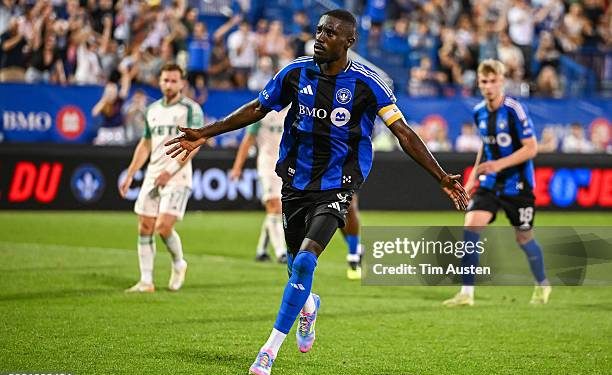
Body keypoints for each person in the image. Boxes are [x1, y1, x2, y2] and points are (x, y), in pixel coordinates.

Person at [165, 10, 468, 374]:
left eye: (330, 33)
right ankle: (308, 305)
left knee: (307, 260)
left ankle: (269, 351)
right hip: (296, 180)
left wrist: (440, 176)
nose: (320, 37)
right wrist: (207, 132)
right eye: (319, 30)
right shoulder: (295, 72)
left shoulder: (367, 83)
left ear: (348, 42)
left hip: (339, 183)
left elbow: (403, 132)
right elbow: (259, 108)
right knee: (295, 265)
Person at [443, 59, 551, 308]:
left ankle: (543, 283)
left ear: (501, 82)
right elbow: (486, 144)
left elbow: (531, 148)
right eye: (484, 81)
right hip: (491, 183)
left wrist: (498, 165)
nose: (489, 86)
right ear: (478, 84)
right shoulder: (479, 111)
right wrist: (472, 179)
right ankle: (466, 293)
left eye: (493, 81)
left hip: (518, 184)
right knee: (471, 226)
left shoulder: (514, 110)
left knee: (524, 238)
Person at [119, 63, 203, 293]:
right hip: (153, 174)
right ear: (159, 82)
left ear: (182, 83)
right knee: (145, 226)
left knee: (163, 227)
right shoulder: (152, 110)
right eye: (165, 80)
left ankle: (178, 263)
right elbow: (145, 144)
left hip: (178, 175)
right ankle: (146, 281)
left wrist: (172, 169)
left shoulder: (191, 109)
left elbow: (195, 143)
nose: (169, 84)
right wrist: (130, 173)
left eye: (174, 81)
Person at [230, 107, 289, 264]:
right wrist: (237, 167)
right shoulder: (262, 111)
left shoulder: (294, 109)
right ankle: (281, 252)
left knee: (278, 208)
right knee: (274, 205)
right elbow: (248, 140)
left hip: (287, 165)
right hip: (267, 164)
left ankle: (261, 250)